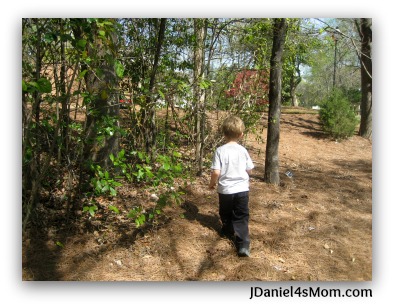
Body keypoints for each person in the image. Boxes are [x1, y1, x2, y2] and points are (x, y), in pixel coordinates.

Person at [208, 115, 254, 257]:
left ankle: (227, 230)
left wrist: (212, 184)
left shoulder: (220, 151)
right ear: (241, 135)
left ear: (224, 133)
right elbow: (250, 169)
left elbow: (216, 172)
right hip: (241, 190)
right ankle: (243, 244)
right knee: (241, 215)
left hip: (225, 190)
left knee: (225, 212)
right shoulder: (243, 151)